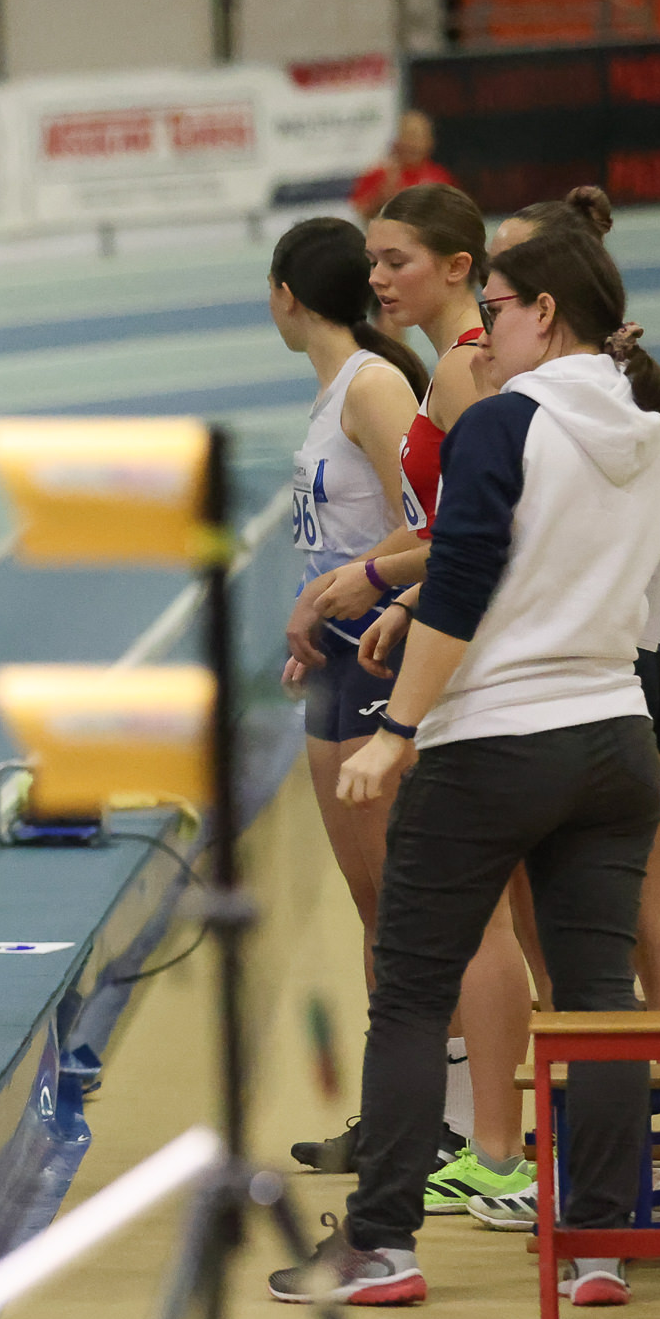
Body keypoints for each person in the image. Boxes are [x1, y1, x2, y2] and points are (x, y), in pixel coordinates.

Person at [272, 225, 660, 1309]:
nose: (481, 334)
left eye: (495, 310)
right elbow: (628, 599)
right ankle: (600, 1243)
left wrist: (396, 729)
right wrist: (416, 596)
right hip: (615, 734)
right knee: (596, 995)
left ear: (546, 312)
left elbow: (466, 577)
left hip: (496, 739)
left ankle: (381, 1244)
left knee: (412, 990)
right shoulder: (652, 430)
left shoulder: (504, 421)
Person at [286, 183, 538, 1208]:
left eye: (397, 261)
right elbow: (445, 524)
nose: (379, 279)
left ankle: (486, 1139)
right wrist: (358, 589)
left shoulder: (453, 374)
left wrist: (379, 582)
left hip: (455, 663)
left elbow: (476, 530)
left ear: (462, 267)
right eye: (373, 262)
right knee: (408, 909)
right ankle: (437, 1123)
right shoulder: (442, 369)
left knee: (464, 917)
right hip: (393, 644)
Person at [472, 186, 660, 1221]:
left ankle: (594, 1172)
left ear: (548, 303)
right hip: (647, 669)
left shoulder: (534, 414)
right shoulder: (640, 402)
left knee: (577, 953)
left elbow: (491, 551)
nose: (487, 314)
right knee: (655, 933)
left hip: (574, 679)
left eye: (497, 297)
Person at [264, 214, 428, 1017]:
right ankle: (394, 1084)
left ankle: (451, 1085)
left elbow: (431, 524)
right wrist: (316, 605)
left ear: (284, 297)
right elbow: (337, 537)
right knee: (373, 909)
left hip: (384, 647)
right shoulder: (333, 396)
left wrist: (344, 584)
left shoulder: (373, 386)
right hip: (334, 655)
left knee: (405, 911)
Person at [350, 109, 453, 220]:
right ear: (397, 140)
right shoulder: (379, 173)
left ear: (430, 142)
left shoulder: (440, 178)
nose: (413, 144)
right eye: (408, 136)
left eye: (418, 137)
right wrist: (380, 200)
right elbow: (357, 214)